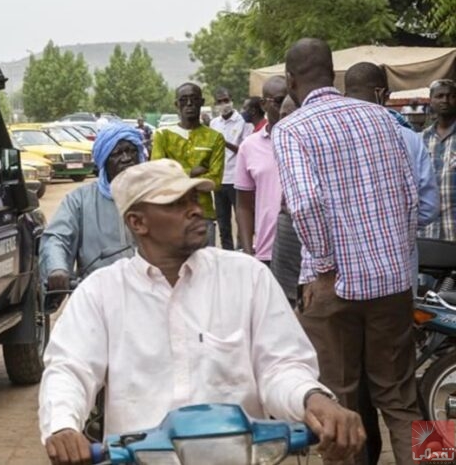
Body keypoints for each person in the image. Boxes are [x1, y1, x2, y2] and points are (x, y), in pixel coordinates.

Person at [38, 159, 365, 465]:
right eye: (177, 204)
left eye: (195, 199)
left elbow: (280, 367)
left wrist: (312, 398)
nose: (195, 211)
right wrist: (63, 426)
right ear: (137, 222)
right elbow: (70, 369)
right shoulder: (101, 292)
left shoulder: (246, 276)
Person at [274, 38, 420, 465]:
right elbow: (410, 196)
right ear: (333, 74)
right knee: (403, 398)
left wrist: (321, 267)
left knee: (338, 409)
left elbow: (304, 202)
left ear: (290, 80)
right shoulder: (381, 118)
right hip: (392, 281)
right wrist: (395, 252)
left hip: (332, 287)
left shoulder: (291, 129)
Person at [343, 62, 441, 465]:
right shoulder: (407, 136)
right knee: (400, 391)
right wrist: (392, 220)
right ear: (383, 94)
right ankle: (429, 456)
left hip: (342, 283)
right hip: (397, 279)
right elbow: (429, 206)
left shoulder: (332, 137)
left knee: (350, 390)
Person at [38, 123, 146, 297]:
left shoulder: (156, 194)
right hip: (99, 295)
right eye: (117, 153)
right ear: (104, 161)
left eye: (131, 151)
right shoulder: (80, 200)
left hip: (150, 292)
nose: (127, 158)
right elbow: (57, 238)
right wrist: (57, 268)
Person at [150, 83, 225, 245]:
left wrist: (174, 177)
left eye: (194, 99)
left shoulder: (215, 138)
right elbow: (157, 176)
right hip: (170, 215)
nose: (189, 104)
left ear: (202, 102)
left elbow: (215, 182)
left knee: (204, 268)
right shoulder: (163, 136)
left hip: (203, 215)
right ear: (176, 104)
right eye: (184, 100)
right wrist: (192, 172)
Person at [235, 76, 287, 266]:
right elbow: (243, 205)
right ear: (264, 104)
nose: (287, 107)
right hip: (267, 253)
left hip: (310, 253)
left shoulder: (310, 141)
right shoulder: (249, 147)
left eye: (293, 99)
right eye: (280, 101)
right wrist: (250, 254)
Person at [209, 87, 253, 250]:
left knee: (242, 217)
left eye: (226, 100)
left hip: (237, 178)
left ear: (231, 100)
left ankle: (243, 248)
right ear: (215, 104)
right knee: (222, 220)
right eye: (220, 102)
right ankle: (227, 251)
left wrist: (224, 143)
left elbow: (245, 150)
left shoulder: (243, 122)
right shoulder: (214, 123)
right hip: (220, 179)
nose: (223, 104)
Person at [270, 95, 302, 304]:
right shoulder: (276, 143)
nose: (282, 123)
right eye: (281, 116)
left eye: (288, 116)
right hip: (284, 233)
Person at [422, 78, 456, 241]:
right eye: (439, 96)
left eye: (451, 96)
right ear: (431, 100)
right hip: (426, 234)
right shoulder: (420, 140)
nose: (445, 100)